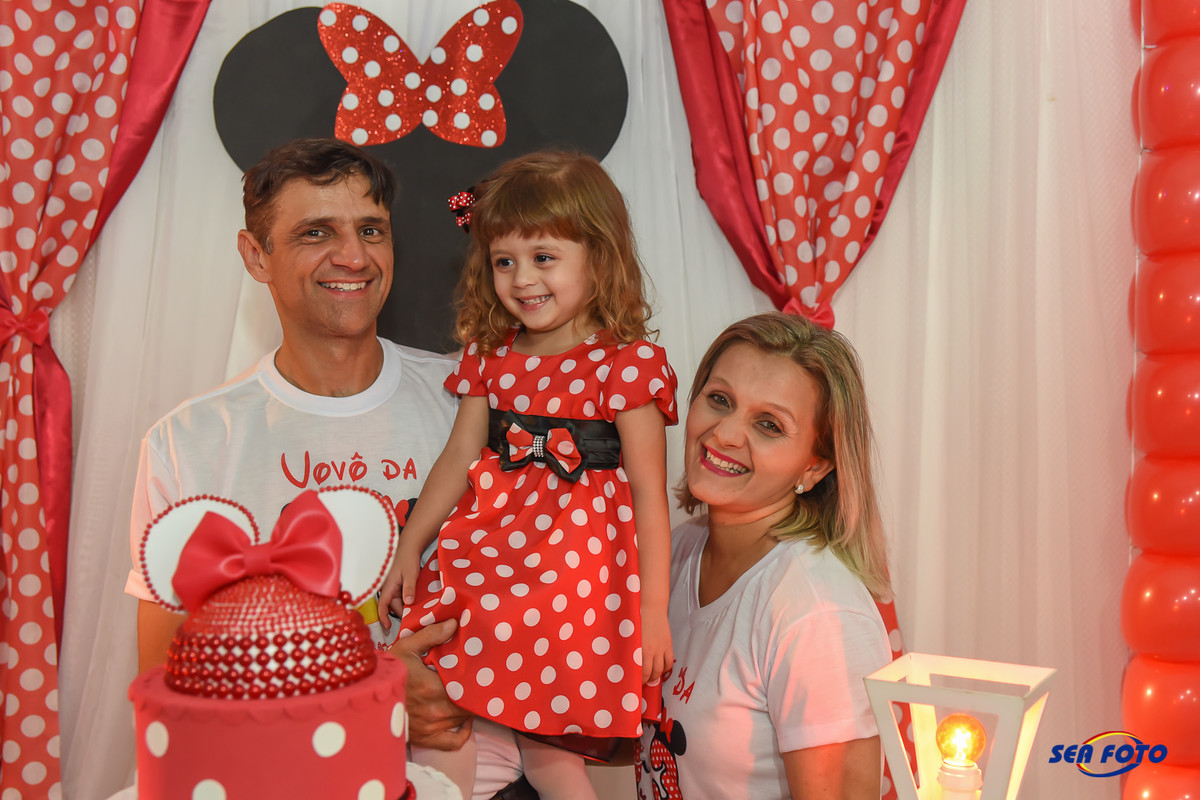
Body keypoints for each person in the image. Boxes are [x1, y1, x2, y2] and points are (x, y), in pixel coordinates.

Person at [124, 137, 531, 799]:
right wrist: (374, 688)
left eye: (371, 230)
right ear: (256, 256)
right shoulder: (188, 443)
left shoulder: (473, 401)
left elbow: (557, 582)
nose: (354, 256)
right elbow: (170, 683)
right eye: (316, 232)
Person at [376, 151, 678, 800]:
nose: (522, 279)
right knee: (440, 726)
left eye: (543, 257)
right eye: (504, 261)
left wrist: (654, 611)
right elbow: (458, 457)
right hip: (489, 557)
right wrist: (409, 545)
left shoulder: (626, 364)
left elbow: (650, 495)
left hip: (572, 580)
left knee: (551, 754)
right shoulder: (492, 355)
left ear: (600, 257)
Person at [635, 312, 893, 800]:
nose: (726, 434)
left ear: (815, 467)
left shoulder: (818, 613)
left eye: (769, 425)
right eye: (720, 400)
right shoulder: (678, 551)